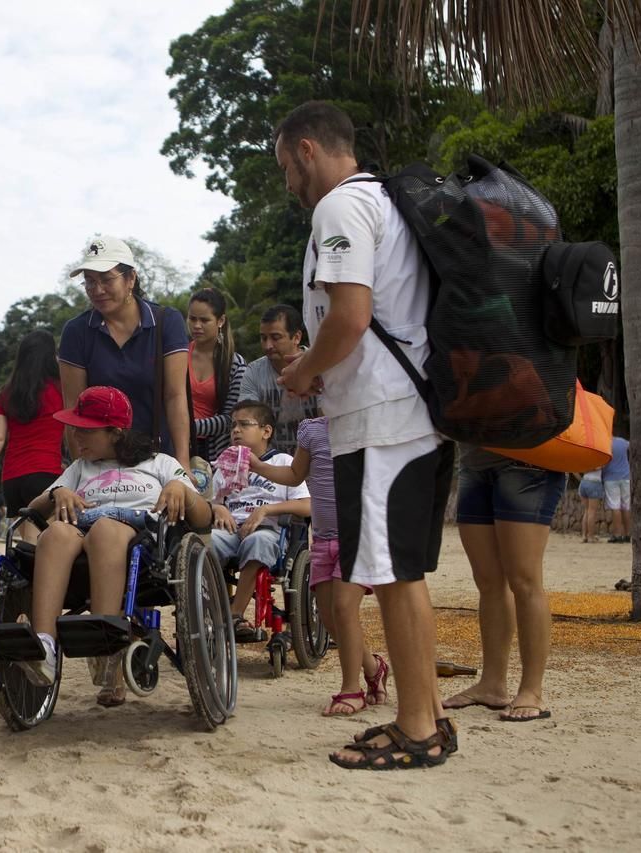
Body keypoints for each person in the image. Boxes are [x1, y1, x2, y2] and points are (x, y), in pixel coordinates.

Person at [274, 101, 456, 769]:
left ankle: (416, 727)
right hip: (408, 412)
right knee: (402, 569)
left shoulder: (340, 209)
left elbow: (349, 316)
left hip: (382, 417)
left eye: (285, 167)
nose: (289, 183)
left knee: (393, 571)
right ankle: (428, 710)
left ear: (307, 152)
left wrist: (303, 371)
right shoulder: (384, 202)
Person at [21, 386, 212, 707]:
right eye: (74, 429)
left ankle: (105, 633)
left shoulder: (160, 463)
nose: (76, 437)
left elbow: (203, 516)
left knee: (105, 530)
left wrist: (182, 489)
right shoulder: (79, 468)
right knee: (54, 535)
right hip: (81, 531)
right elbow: (34, 507)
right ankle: (45, 647)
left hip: (142, 538)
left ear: (116, 432)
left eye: (85, 431)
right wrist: (57, 495)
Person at [247, 413, 388, 717]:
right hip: (322, 538)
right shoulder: (311, 430)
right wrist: (259, 467)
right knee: (330, 617)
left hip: (359, 535)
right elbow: (296, 474)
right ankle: (374, 668)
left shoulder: (367, 423)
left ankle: (352, 690)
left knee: (343, 608)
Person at [442, 449, 565, 723]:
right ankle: (492, 684)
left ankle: (531, 690)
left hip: (527, 460)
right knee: (488, 582)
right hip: (474, 460)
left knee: (525, 580)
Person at [58, 235, 191, 471]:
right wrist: (81, 471)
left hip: (158, 459)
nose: (97, 290)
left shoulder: (165, 322)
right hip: (100, 465)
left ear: (130, 278)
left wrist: (182, 464)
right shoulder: (77, 332)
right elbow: (74, 407)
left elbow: (175, 397)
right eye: (89, 281)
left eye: (107, 280)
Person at [208, 401, 311, 637]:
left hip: (269, 531)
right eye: (233, 425)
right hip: (231, 529)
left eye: (244, 424)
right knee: (205, 543)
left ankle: (234, 615)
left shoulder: (283, 462)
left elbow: (307, 506)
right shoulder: (226, 463)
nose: (235, 430)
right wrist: (217, 509)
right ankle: (210, 612)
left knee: (258, 542)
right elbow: (211, 502)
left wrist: (266, 510)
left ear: (266, 431)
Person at [0, 330, 65, 525]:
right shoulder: (61, 389)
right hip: (46, 474)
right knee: (48, 546)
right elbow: (73, 431)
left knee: (27, 547)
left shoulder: (8, 393)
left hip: (13, 478)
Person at [237, 304, 321, 454]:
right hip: (271, 461)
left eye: (276, 338)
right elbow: (246, 422)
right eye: (263, 338)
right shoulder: (253, 372)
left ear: (296, 337)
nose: (268, 345)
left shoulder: (319, 366)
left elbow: (327, 421)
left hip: (317, 457)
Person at [187, 288, 247, 462]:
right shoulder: (177, 355)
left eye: (204, 320)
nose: (197, 326)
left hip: (213, 454)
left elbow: (231, 419)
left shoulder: (235, 365)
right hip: (175, 446)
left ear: (220, 320)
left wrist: (188, 427)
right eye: (192, 319)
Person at [602, 435, 631, 543]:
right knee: (626, 506)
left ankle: (617, 534)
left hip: (611, 478)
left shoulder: (605, 443)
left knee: (615, 506)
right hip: (626, 477)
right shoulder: (623, 441)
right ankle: (628, 534)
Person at [578, 467, 605, 543]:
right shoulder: (599, 457)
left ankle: (584, 536)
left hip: (584, 482)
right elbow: (600, 466)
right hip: (594, 482)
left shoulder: (586, 457)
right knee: (592, 512)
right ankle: (590, 537)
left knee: (586, 510)